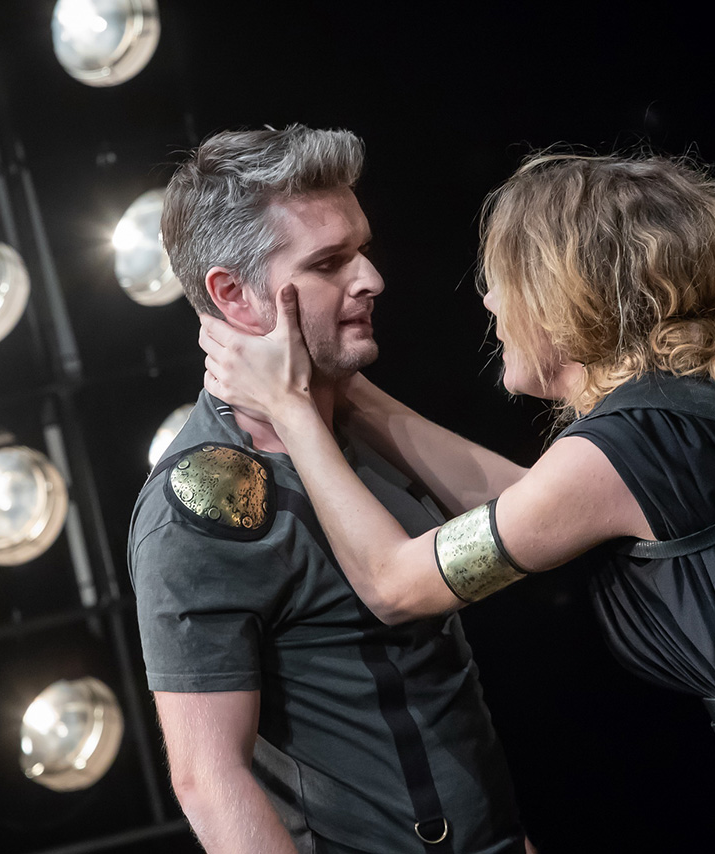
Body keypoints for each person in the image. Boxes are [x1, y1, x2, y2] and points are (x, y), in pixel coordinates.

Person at [199, 151, 715, 853]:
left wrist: (293, 410)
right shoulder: (706, 397)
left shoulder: (624, 449)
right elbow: (531, 504)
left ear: (565, 293)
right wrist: (347, 393)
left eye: (502, 281)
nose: (489, 303)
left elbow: (395, 583)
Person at [128, 125, 531, 854]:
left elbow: (528, 520)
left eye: (361, 249)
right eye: (328, 262)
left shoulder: (356, 422)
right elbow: (208, 779)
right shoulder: (199, 509)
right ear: (232, 295)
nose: (370, 278)